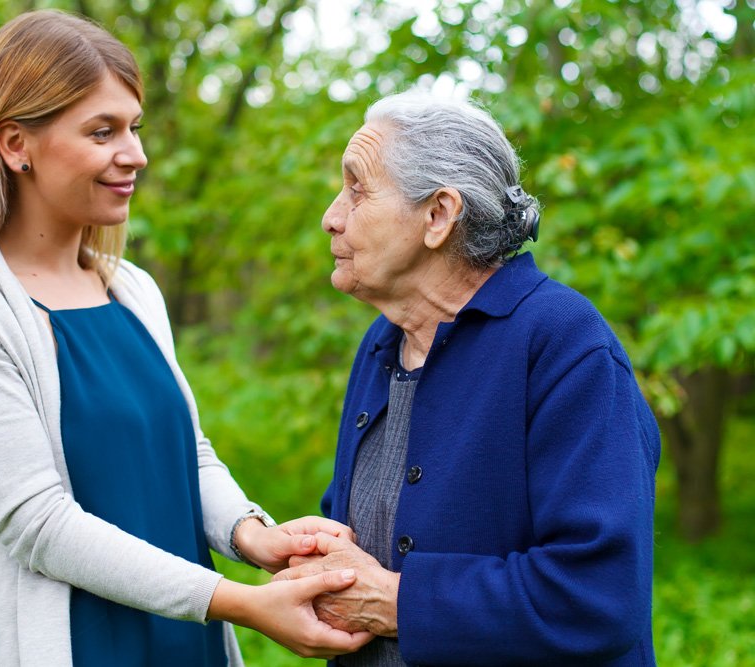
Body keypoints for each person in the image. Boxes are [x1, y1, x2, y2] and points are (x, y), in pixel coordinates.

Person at [0, 10, 371, 666]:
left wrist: (252, 535)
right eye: (102, 131)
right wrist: (240, 600)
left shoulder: (132, 289)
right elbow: (40, 526)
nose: (135, 154)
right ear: (15, 144)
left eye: (134, 127)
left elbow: (184, 454)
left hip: (189, 644)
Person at [274, 90, 661, 666]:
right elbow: (373, 529)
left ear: (438, 216)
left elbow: (598, 596)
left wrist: (398, 601)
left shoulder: (564, 344)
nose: (331, 216)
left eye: (356, 189)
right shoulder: (384, 342)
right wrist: (322, 555)